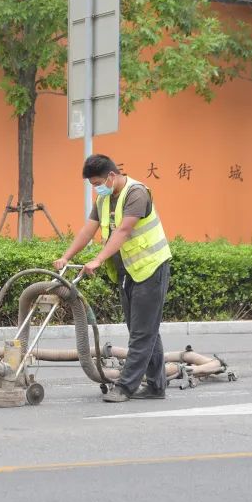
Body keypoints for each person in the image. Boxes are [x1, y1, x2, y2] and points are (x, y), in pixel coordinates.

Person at [53, 154, 172, 403]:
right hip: (128, 270)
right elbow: (88, 230)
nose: (96, 188)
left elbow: (124, 231)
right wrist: (66, 256)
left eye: (98, 183)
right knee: (143, 329)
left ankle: (125, 387)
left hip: (151, 267)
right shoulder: (104, 198)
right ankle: (156, 386)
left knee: (141, 332)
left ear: (111, 175)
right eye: (93, 185)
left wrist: (97, 260)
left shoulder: (136, 193)